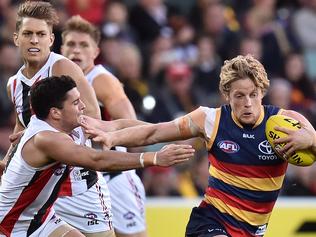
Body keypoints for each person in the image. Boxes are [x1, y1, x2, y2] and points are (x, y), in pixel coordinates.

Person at [79, 54, 316, 237]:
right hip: (211, 222)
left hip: (253, 229)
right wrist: (113, 138)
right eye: (239, 96)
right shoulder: (210, 120)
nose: (247, 103)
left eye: (253, 95)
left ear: (263, 92)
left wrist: (312, 140)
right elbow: (154, 131)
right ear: (227, 95)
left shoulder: (287, 123)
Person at [0, 75, 194, 237]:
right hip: (9, 225)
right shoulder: (46, 139)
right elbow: (97, 159)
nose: (83, 106)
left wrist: (174, 130)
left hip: (40, 218)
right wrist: (154, 159)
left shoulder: (70, 123)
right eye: (76, 102)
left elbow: (118, 126)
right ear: (55, 113)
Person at [3, 2, 104, 237]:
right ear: (17, 38)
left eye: (41, 34)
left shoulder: (61, 67)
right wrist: (9, 157)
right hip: (39, 188)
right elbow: (23, 124)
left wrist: (53, 139)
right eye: (28, 34)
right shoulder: (14, 84)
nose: (34, 40)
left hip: (78, 184)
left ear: (51, 39)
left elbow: (93, 117)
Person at [60, 15, 148, 237]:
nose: (76, 51)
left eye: (83, 45)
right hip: (77, 179)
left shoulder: (100, 79)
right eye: (71, 44)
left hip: (113, 177)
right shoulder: (55, 80)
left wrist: (101, 132)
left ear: (95, 52)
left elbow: (131, 122)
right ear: (61, 48)